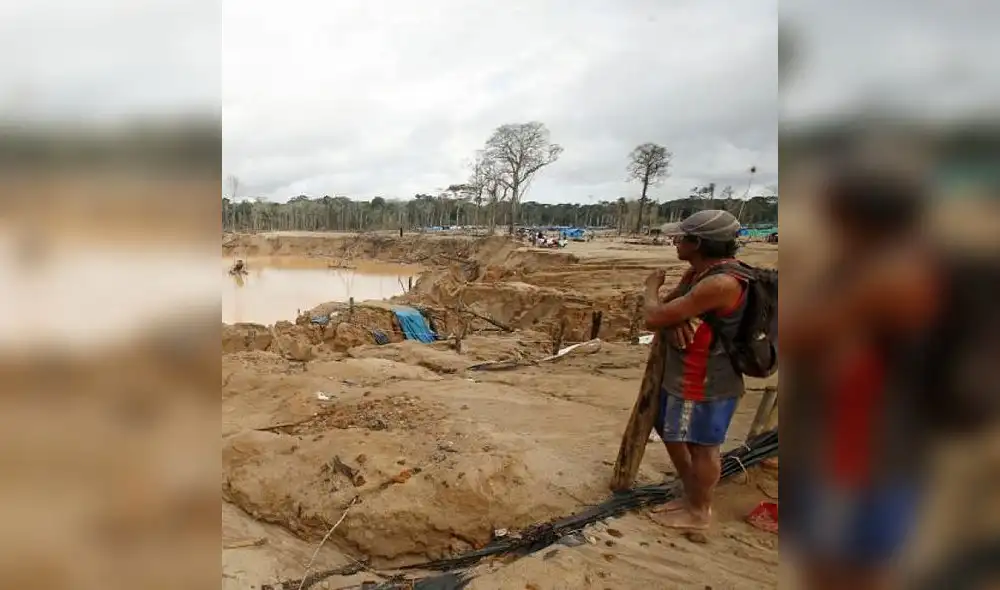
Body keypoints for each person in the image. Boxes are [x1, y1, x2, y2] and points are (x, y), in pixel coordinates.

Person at [781, 168, 942, 590]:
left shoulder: (884, 278)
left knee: (845, 566)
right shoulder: (893, 267)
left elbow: (800, 335)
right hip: (874, 445)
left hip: (855, 451)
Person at [642, 209, 747, 530]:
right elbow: (668, 312)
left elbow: (653, 316)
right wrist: (674, 318)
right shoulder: (699, 275)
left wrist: (651, 288)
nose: (675, 241)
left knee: (702, 445)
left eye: (681, 237)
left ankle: (699, 511)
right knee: (673, 431)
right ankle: (692, 494)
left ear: (698, 243)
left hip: (704, 378)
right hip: (692, 374)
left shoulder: (720, 282)